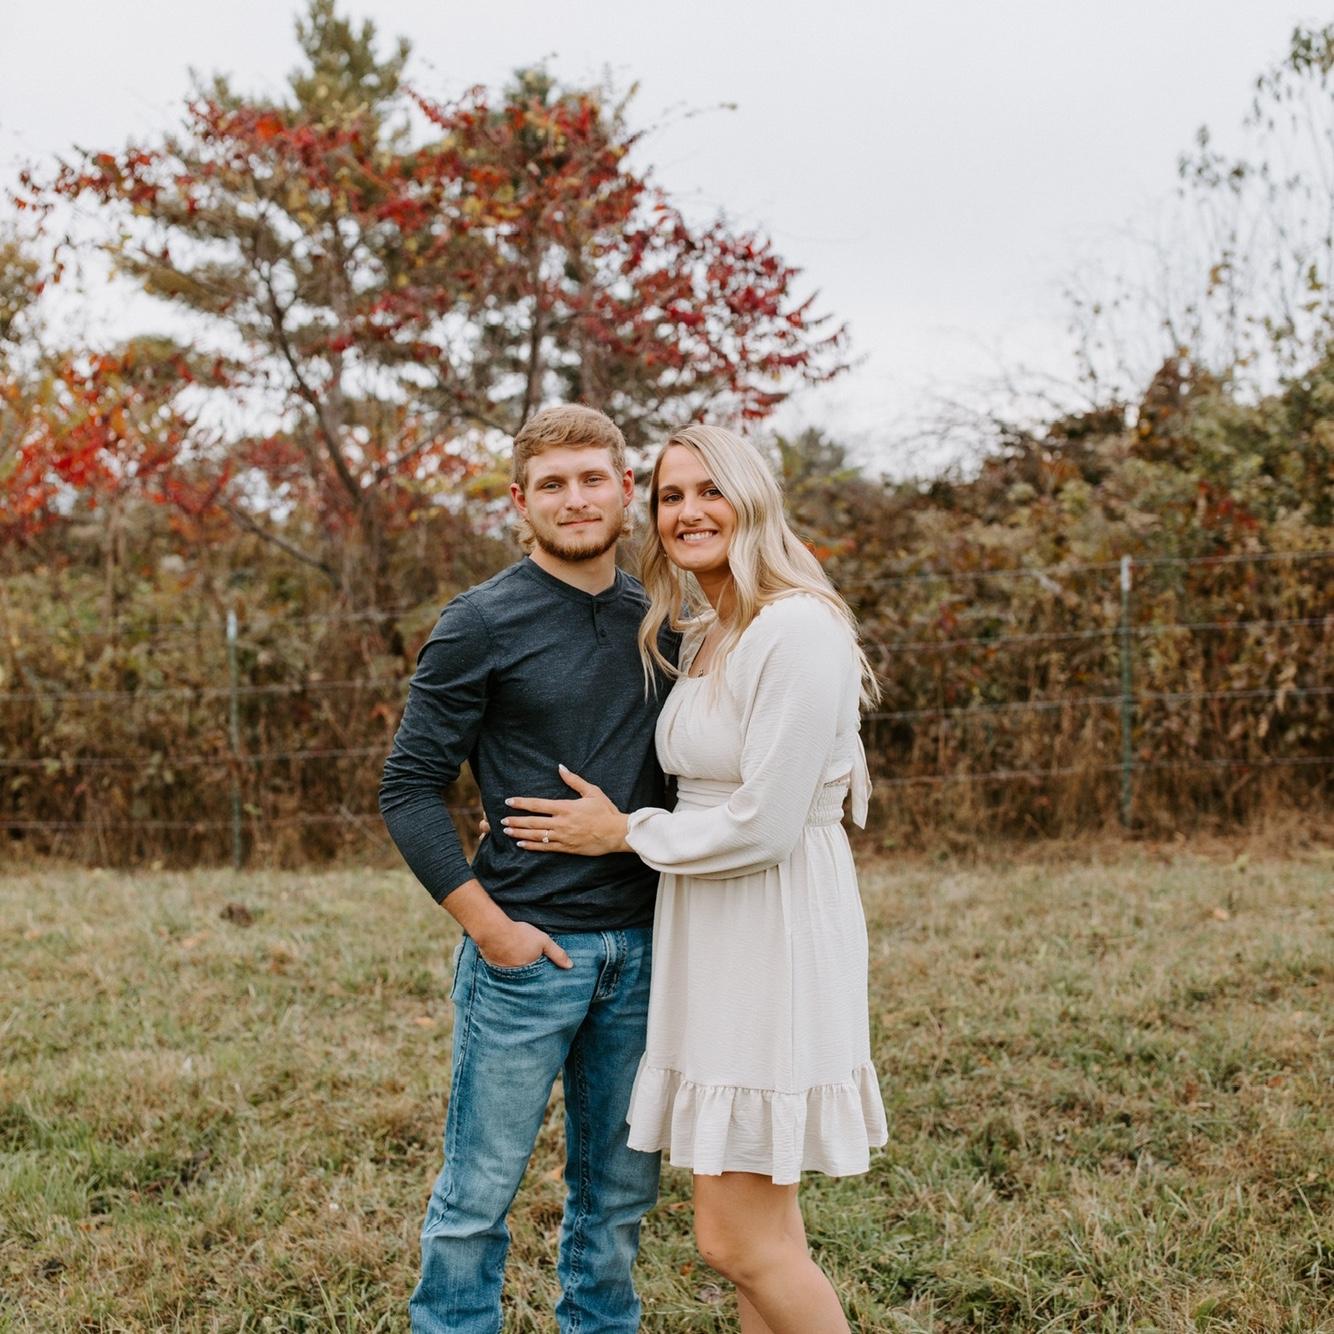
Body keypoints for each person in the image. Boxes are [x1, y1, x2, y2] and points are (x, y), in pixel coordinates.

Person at [500, 423, 888, 1334]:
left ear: (753, 500)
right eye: (671, 496)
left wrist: (622, 832)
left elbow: (766, 825)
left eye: (710, 491)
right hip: (712, 925)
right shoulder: (711, 628)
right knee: (766, 1236)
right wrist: (529, 811)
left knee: (735, 1241)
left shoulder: (796, 628)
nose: (688, 512)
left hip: (771, 926)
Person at [378, 404, 675, 1334]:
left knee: (618, 1199)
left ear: (625, 489)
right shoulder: (480, 623)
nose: (575, 499)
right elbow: (408, 787)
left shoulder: (663, 621)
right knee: (477, 1195)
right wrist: (491, 929)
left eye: (592, 479)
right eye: (553, 484)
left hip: (646, 951)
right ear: (520, 500)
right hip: (527, 954)